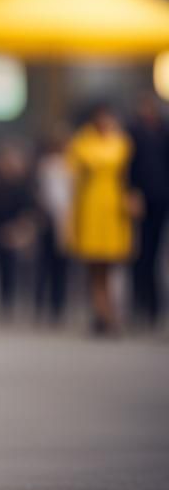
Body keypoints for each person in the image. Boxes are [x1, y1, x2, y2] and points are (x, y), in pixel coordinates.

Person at [67, 103, 135, 335]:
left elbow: (129, 174)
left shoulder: (121, 142)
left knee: (111, 266)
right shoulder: (82, 143)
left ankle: (107, 313)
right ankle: (103, 314)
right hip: (91, 207)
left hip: (114, 207)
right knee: (94, 266)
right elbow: (75, 175)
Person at [127, 93, 169, 328]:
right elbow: (128, 167)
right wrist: (131, 192)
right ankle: (139, 305)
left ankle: (154, 307)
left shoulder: (164, 131)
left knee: (155, 255)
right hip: (139, 199)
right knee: (139, 255)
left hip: (161, 198)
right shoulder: (132, 132)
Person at [0, 144, 37, 315]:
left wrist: (21, 226)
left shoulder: (24, 185)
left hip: (18, 229)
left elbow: (30, 207)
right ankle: (3, 299)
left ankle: (22, 297)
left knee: (18, 267)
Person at [35, 130, 72, 323]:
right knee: (47, 265)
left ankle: (57, 305)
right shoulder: (47, 165)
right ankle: (44, 304)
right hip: (52, 220)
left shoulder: (72, 165)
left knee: (59, 266)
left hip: (66, 220)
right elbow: (43, 194)